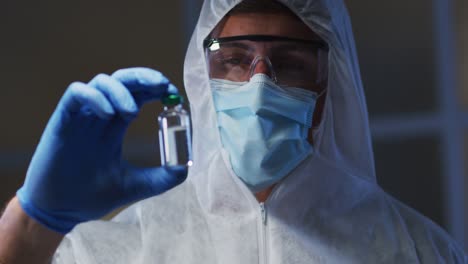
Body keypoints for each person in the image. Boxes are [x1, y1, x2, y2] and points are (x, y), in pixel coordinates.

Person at [0, 0, 466, 263]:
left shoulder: (419, 253)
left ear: (329, 88)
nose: (260, 85)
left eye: (289, 62)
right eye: (235, 60)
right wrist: (29, 222)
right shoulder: (117, 251)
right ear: (204, 83)